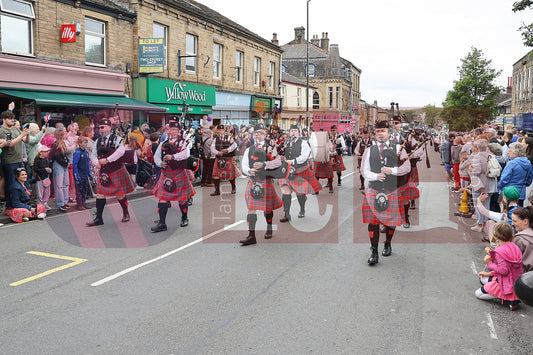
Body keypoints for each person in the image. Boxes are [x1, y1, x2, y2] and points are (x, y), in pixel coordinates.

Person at [361, 120, 411, 265]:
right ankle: (374, 252)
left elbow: (407, 167)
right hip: (374, 189)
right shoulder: (369, 150)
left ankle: (388, 243)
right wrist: (375, 176)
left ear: (389, 133)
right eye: (377, 131)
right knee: (373, 222)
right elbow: (364, 170)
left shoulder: (398, 148)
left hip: (391, 189)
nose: (380, 133)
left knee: (390, 222)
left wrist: (392, 171)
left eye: (382, 131)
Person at [86, 118, 137, 226]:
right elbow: (94, 154)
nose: (100, 130)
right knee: (100, 194)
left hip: (116, 170)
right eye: (99, 128)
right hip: (104, 171)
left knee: (120, 195)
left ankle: (125, 212)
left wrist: (107, 160)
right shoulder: (97, 141)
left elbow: (120, 152)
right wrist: (97, 163)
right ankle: (99, 218)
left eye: (102, 127)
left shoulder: (118, 139)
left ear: (109, 128)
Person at [239, 123, 283, 245]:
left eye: (260, 133)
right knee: (251, 208)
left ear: (265, 134)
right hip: (253, 180)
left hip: (266, 180)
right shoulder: (249, 149)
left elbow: (278, 162)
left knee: (268, 208)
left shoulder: (271, 147)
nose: (257, 135)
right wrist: (249, 170)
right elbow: (244, 165)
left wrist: (265, 165)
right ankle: (251, 236)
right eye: (255, 133)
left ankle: (269, 227)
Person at [150, 119, 195, 232]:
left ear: (178, 130)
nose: (171, 131)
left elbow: (186, 154)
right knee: (162, 199)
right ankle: (162, 223)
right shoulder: (163, 143)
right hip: (166, 174)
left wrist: (172, 157)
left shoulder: (183, 142)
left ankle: (184, 217)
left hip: (179, 173)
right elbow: (156, 156)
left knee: (182, 200)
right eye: (169, 129)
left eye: (174, 129)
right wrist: (160, 163)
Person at [278, 124, 322, 222]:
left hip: (299, 169)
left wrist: (293, 161)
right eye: (291, 131)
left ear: (299, 133)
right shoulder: (285, 142)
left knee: (299, 193)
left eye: (295, 131)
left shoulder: (303, 143)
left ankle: (302, 209)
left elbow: (305, 155)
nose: (293, 133)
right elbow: (280, 153)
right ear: (289, 132)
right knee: (286, 191)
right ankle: (287, 214)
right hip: (287, 170)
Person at [476, 221, 523, 311]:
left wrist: (489, 263)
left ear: (496, 236)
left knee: (478, 293)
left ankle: (507, 299)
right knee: (483, 278)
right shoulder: (515, 247)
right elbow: (508, 268)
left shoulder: (499, 251)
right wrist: (489, 274)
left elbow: (503, 270)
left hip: (506, 283)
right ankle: (512, 300)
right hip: (516, 283)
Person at [0, 105, 29, 207]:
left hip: (19, 159)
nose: (12, 120)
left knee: (21, 183)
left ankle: (19, 203)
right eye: (10, 118)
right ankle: (10, 205)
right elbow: (10, 143)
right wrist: (22, 135)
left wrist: (27, 134)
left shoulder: (15, 129)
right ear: (4, 119)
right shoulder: (2, 130)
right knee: (11, 184)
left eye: (13, 118)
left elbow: (25, 141)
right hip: (9, 161)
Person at [498, 142, 533, 207]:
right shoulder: (529, 164)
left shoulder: (512, 163)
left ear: (516, 153)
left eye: (510, 151)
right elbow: (528, 181)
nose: (508, 152)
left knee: (506, 214)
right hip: (521, 193)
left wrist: (498, 186)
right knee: (518, 214)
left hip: (509, 193)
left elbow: (504, 179)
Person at [210, 124, 241, 195]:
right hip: (219, 158)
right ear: (217, 131)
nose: (220, 131)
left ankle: (233, 187)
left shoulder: (229, 138)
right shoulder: (215, 139)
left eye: (221, 130)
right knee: (215, 175)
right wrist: (218, 152)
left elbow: (234, 145)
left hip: (227, 159)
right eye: (218, 130)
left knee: (230, 175)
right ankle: (217, 190)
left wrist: (227, 149)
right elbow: (212, 149)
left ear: (224, 131)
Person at [49, 127, 71, 212]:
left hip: (63, 164)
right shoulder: (55, 144)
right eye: (64, 133)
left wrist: (67, 162)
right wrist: (65, 163)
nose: (66, 134)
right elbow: (57, 157)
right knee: (59, 185)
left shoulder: (62, 143)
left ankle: (65, 201)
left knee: (66, 184)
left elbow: (64, 155)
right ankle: (60, 203)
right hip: (58, 165)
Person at [509, 207, 533, 273]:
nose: (512, 223)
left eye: (515, 221)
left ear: (525, 221)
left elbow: (513, 263)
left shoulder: (520, 239)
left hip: (525, 277)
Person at [72, 136, 92, 210]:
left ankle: (83, 203)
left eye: (87, 142)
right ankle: (79, 204)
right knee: (79, 190)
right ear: (80, 143)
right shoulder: (77, 153)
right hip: (79, 174)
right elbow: (75, 164)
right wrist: (76, 175)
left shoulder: (86, 153)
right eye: (84, 142)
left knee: (84, 189)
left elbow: (88, 164)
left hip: (85, 174)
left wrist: (89, 173)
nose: (86, 144)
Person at [33, 145, 53, 210]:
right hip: (40, 179)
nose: (47, 152)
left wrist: (50, 170)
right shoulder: (37, 159)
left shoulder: (47, 159)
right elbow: (36, 169)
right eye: (45, 151)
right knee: (40, 193)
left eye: (47, 151)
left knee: (47, 192)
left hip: (46, 178)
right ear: (41, 152)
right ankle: (40, 205)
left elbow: (49, 167)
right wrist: (44, 169)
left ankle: (45, 203)